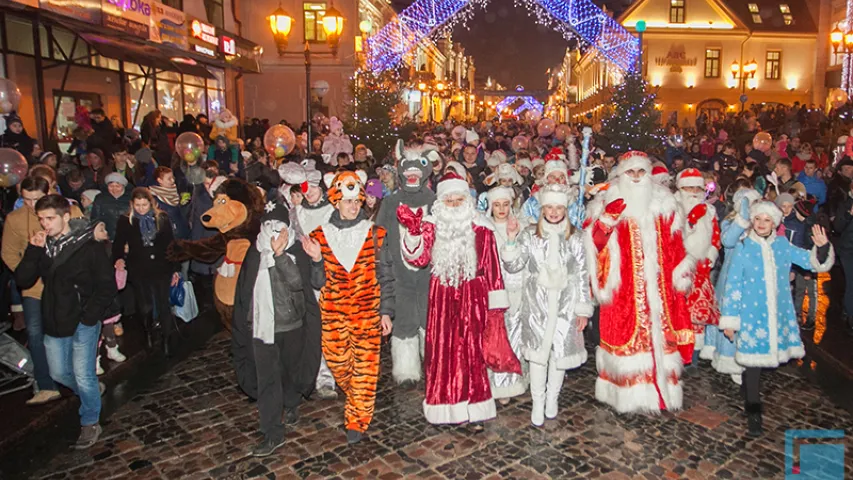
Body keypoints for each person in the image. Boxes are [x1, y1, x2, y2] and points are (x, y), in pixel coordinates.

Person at [398, 172, 518, 424]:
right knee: (442, 351)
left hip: (474, 298)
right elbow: (417, 259)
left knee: (472, 352)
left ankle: (475, 406)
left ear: (467, 200)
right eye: (449, 201)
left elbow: (493, 267)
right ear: (441, 203)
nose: (454, 205)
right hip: (441, 298)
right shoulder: (431, 225)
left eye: (458, 200)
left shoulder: (482, 228)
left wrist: (495, 308)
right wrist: (412, 232)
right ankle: (444, 406)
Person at [583, 151, 694, 414]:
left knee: (661, 338)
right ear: (621, 174)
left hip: (660, 289)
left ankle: (661, 394)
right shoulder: (605, 200)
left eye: (640, 172)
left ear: (648, 174)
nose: (635, 177)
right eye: (630, 172)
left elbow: (677, 243)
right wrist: (607, 221)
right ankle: (626, 397)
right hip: (624, 291)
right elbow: (594, 245)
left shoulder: (665, 203)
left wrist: (681, 273)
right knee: (626, 340)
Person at [719, 202, 833, 436]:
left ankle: (747, 394)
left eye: (766, 220)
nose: (761, 224)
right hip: (750, 316)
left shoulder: (782, 245)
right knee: (752, 367)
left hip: (776, 316)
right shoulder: (743, 246)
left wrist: (821, 249)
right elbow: (733, 285)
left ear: (775, 223)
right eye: (757, 219)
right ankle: (754, 414)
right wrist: (730, 319)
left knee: (757, 366)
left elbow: (810, 261)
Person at [15, 194, 118, 449]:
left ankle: (90, 421)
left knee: (83, 374)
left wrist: (89, 315)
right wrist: (33, 250)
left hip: (83, 319)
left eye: (50, 218)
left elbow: (107, 285)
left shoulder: (88, 246)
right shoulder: (43, 246)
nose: (45, 224)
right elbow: (23, 279)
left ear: (65, 217)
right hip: (54, 318)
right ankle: (92, 390)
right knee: (59, 372)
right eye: (41, 219)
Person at [302, 171, 394, 444]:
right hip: (333, 314)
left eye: (358, 201)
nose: (354, 206)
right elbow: (317, 281)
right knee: (339, 364)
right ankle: (356, 396)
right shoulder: (319, 236)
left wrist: (386, 311)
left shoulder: (376, 234)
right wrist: (317, 259)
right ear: (336, 201)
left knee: (365, 369)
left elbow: (386, 276)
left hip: (367, 312)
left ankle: (357, 419)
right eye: (348, 201)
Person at [232, 202, 316, 457]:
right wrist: (245, 322)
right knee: (268, 380)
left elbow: (298, 283)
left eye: (279, 227)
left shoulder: (295, 250)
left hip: (291, 325)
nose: (273, 232)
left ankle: (291, 402)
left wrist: (280, 256)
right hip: (262, 327)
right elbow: (244, 291)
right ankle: (272, 433)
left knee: (289, 372)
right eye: (268, 226)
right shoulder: (254, 252)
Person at [503, 184, 590, 425]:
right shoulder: (530, 235)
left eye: (559, 207)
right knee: (538, 356)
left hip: (566, 304)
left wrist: (582, 309)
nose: (553, 212)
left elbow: (583, 273)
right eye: (549, 207)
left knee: (559, 355)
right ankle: (537, 402)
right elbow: (514, 265)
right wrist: (511, 240)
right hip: (536, 305)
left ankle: (553, 398)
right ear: (542, 208)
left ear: (565, 208)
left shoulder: (576, 237)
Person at [375, 142, 436, 386]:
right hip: (399, 275)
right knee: (404, 320)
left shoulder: (435, 200)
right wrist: (383, 263)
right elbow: (380, 237)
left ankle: (433, 363)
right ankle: (407, 368)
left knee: (430, 319)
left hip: (430, 275)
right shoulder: (391, 203)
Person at [1, 177, 62, 405]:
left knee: (65, 332)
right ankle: (45, 384)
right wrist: (25, 273)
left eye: (36, 199)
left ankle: (73, 376)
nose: (31, 204)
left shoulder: (62, 211)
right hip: (33, 288)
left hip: (61, 286)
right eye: (26, 199)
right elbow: (8, 253)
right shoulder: (15, 220)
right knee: (35, 334)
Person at [113, 188, 181, 356]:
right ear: (132, 205)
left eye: (144, 205)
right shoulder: (125, 220)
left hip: (161, 267)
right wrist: (119, 258)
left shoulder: (161, 218)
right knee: (145, 306)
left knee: (163, 304)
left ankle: (166, 339)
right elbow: (118, 243)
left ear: (151, 203)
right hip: (139, 267)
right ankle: (148, 333)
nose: (141, 209)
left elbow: (170, 245)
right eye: (138, 205)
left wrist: (175, 269)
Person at [484, 186, 528, 404]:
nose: (501, 209)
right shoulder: (485, 228)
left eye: (505, 204)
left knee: (515, 336)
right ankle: (497, 383)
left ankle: (512, 382)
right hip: (493, 291)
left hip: (518, 289)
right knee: (496, 338)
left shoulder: (522, 227)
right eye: (497, 205)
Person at [674, 168, 721, 370]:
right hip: (678, 268)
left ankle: (693, 353)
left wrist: (710, 257)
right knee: (678, 312)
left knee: (697, 314)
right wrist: (691, 222)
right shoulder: (672, 208)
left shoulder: (709, 211)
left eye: (696, 188)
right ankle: (675, 351)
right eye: (688, 188)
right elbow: (671, 236)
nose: (693, 192)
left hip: (701, 269)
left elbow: (715, 237)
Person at [149, 166, 190, 241]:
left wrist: (185, 205)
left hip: (185, 233)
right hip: (170, 237)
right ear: (160, 180)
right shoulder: (154, 198)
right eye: (169, 179)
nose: (172, 181)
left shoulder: (177, 192)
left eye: (173, 177)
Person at [90, 172, 131, 241]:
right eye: (111, 186)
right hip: (107, 237)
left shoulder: (131, 197)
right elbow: (95, 218)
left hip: (127, 236)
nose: (114, 189)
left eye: (117, 186)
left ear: (123, 186)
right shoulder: (100, 198)